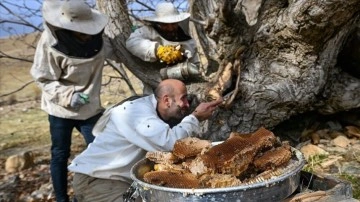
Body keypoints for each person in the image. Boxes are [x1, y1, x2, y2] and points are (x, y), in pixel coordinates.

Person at [68, 79, 223, 202]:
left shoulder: (151, 110)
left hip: (115, 180)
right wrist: (195, 117)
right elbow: (172, 143)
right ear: (166, 100)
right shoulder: (137, 115)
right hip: (98, 180)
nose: (187, 105)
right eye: (183, 99)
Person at [30, 1, 116, 201]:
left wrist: (131, 38)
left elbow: (116, 51)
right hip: (60, 110)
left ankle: (98, 194)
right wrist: (69, 95)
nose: (86, 34)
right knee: (60, 155)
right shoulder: (49, 43)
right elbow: (43, 78)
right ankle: (62, 198)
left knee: (102, 149)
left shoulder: (99, 39)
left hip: (91, 107)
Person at [126, 2, 201, 94]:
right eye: (165, 24)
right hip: (155, 90)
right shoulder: (148, 31)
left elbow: (195, 66)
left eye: (173, 24)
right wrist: (158, 51)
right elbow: (131, 42)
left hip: (184, 89)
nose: (170, 28)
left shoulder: (188, 42)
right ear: (158, 23)